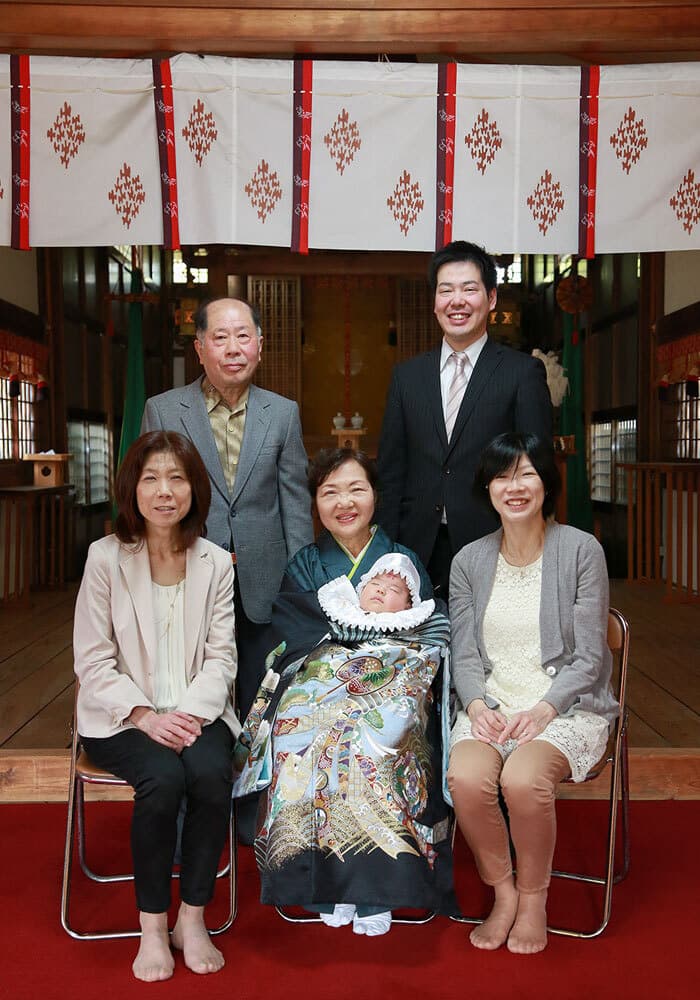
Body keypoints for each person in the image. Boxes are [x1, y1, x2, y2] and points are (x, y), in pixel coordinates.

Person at [73, 431, 239, 982]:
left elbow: (222, 658)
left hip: (196, 710)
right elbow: (92, 661)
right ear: (131, 488)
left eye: (177, 478)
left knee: (213, 771)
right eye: (151, 478)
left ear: (194, 488)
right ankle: (151, 925)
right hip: (122, 716)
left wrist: (188, 714)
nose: (164, 491)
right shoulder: (105, 558)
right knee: (164, 780)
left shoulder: (215, 562)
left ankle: (192, 918)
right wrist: (146, 716)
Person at [446, 432, 619, 954]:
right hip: (493, 706)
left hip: (565, 707)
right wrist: (476, 704)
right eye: (502, 475)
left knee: (522, 780)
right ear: (488, 488)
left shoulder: (580, 550)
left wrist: (544, 710)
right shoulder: (468, 562)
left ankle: (534, 897)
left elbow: (589, 658)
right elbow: (464, 654)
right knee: (467, 778)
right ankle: (502, 892)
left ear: (547, 482)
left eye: (526, 473)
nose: (514, 486)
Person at [234, 552, 455, 935]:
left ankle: (377, 894)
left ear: (410, 605)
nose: (382, 591)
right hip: (322, 707)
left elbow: (417, 674)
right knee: (294, 741)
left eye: (394, 590)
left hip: (385, 706)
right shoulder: (326, 614)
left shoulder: (420, 632)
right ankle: (319, 889)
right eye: (376, 585)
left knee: (378, 745)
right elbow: (295, 662)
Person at [141, 296, 313, 716]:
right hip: (187, 569)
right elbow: (149, 500)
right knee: (194, 694)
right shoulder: (163, 410)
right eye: (220, 337)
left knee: (263, 692)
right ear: (199, 348)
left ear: (260, 344)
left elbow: (294, 501)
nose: (233, 348)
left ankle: (258, 778)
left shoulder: (283, 413)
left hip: (264, 576)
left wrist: (302, 580)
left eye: (243, 336)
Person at [376, 240, 553, 601]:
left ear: (491, 299)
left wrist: (529, 549)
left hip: (495, 542)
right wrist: (389, 553)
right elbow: (391, 472)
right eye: (446, 290)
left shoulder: (522, 372)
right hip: (417, 548)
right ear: (435, 302)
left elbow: (538, 470)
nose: (457, 301)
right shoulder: (406, 377)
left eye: (469, 289)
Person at [282, 446, 433, 600]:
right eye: (330, 492)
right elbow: (293, 621)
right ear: (315, 503)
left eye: (356, 489)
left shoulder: (403, 561)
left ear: (374, 495)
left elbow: (430, 619)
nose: (345, 503)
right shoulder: (305, 565)